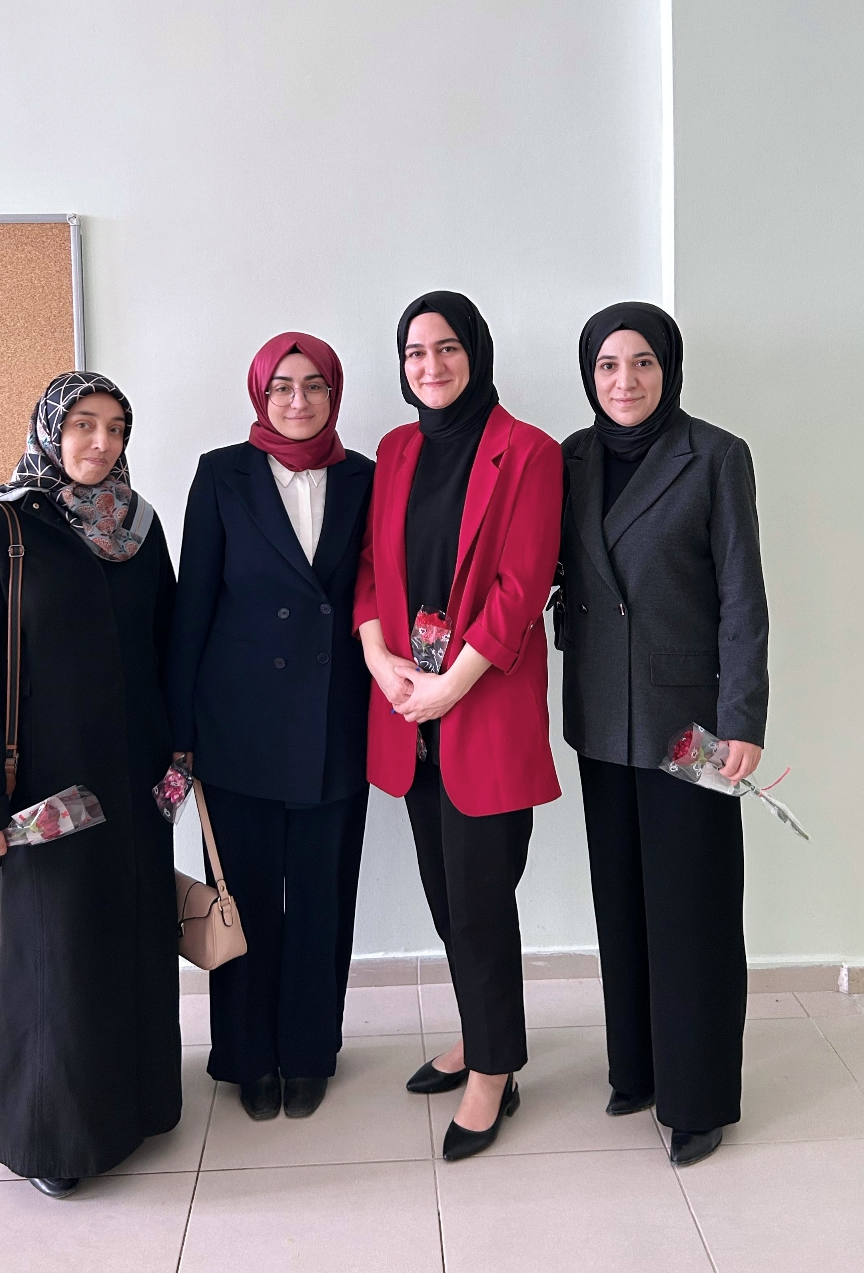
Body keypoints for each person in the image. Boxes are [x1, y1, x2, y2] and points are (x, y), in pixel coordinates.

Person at [0, 372, 181, 1199]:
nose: (99, 443)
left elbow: (167, 646)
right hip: (44, 787)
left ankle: (139, 1106)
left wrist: (181, 755)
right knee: (56, 954)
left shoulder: (139, 528)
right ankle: (53, 1137)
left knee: (133, 938)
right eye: (82, 424)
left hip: (135, 778)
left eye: (115, 428)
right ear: (50, 429)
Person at [555, 302, 769, 1166]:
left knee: (695, 909)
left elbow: (741, 597)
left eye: (641, 362)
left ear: (668, 368)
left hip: (692, 725)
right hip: (600, 714)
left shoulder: (714, 455)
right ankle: (637, 1068)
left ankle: (698, 1097)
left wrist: (741, 720)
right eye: (607, 365)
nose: (624, 381)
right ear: (589, 374)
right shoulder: (570, 459)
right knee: (622, 901)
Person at [354, 291, 563, 1161]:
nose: (430, 365)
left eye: (445, 348)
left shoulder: (530, 451)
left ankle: (494, 1070)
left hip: (482, 706)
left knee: (479, 900)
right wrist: (381, 661)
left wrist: (451, 685)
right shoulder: (395, 450)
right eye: (414, 352)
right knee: (447, 897)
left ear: (475, 352)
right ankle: (483, 1034)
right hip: (410, 710)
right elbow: (371, 568)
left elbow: (521, 588)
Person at [165, 332, 373, 1121]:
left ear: (333, 393)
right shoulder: (222, 473)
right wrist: (180, 729)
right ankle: (247, 1058)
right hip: (236, 725)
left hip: (335, 721)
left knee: (322, 899)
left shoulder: (364, 478)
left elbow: (377, 593)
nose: (297, 400)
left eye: (314, 385)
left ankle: (310, 1051)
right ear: (260, 394)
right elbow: (192, 605)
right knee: (242, 895)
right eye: (281, 386)